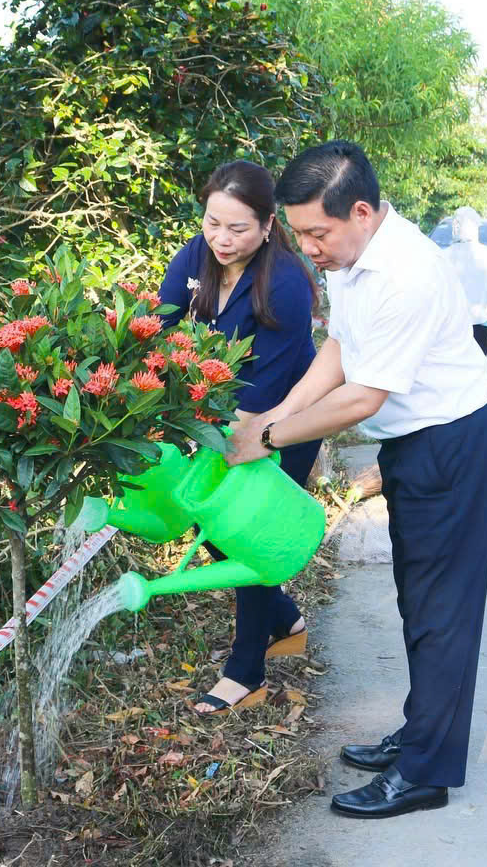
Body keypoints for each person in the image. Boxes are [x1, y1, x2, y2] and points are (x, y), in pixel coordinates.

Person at [226, 141, 487, 819]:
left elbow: (362, 397)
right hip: (418, 444)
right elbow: (341, 348)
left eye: (318, 234)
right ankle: (422, 732)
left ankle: (425, 774)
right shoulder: (356, 255)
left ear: (360, 210)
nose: (310, 249)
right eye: (300, 235)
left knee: (442, 614)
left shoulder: (402, 271)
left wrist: (265, 437)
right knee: (420, 603)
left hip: (453, 444)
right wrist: (277, 411)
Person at [157, 159, 323, 714]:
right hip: (220, 419)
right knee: (213, 528)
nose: (222, 240)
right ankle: (282, 617)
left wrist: (221, 440)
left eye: (238, 228)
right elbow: (160, 332)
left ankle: (246, 670)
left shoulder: (286, 284)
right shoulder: (194, 259)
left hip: (286, 422)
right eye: (212, 223)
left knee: (249, 532)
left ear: (269, 224)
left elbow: (265, 396)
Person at [442, 206, 487, 356]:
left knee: (452, 371)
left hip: (451, 326)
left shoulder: (443, 256)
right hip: (481, 324)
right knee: (476, 372)